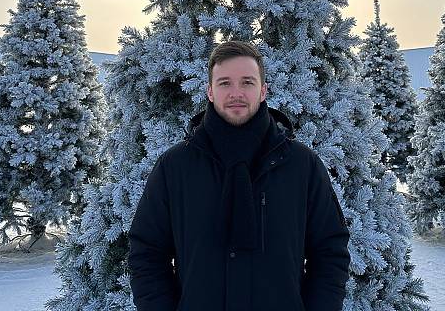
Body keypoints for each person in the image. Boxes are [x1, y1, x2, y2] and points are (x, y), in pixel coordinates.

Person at [128, 40, 350, 311]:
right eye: (224, 83)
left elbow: (329, 252)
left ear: (263, 90)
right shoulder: (175, 167)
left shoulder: (301, 166)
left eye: (247, 82)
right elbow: (147, 253)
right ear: (210, 92)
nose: (236, 93)